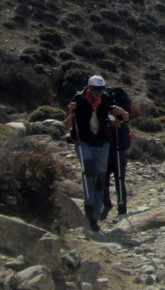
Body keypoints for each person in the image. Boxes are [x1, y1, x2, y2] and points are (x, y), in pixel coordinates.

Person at [66, 74, 129, 232]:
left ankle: (95, 211)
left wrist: (120, 113)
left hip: (102, 142)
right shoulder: (79, 99)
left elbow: (122, 118)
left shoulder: (107, 99)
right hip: (84, 141)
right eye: (95, 89)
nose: (98, 93)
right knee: (88, 171)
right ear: (89, 87)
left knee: (101, 176)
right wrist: (71, 113)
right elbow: (66, 124)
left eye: (100, 89)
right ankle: (89, 209)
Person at [98, 83, 133, 216]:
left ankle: (115, 206)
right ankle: (114, 206)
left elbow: (125, 118)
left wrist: (119, 115)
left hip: (114, 146)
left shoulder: (118, 106)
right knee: (113, 178)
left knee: (113, 178)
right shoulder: (103, 105)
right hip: (112, 146)